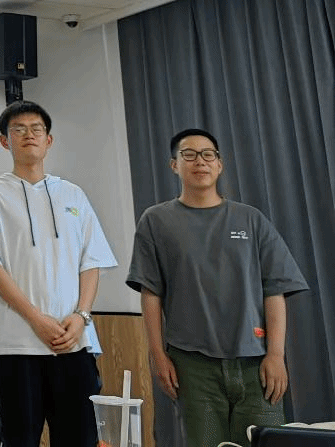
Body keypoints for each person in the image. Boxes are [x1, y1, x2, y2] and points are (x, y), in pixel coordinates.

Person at [126, 129, 308, 447]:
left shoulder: (251, 220)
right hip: (192, 365)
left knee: (263, 442)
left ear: (219, 165)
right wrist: (157, 355)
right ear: (174, 165)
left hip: (256, 362)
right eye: (189, 154)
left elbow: (275, 290)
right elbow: (150, 292)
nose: (200, 161)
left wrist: (276, 354)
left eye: (208, 154)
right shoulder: (156, 221)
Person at [0, 100, 117, 447]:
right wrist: (36, 319)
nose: (29, 135)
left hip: (75, 342)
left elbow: (91, 261)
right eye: (18, 130)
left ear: (49, 140)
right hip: (17, 346)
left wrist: (81, 316)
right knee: (19, 439)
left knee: (80, 439)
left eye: (36, 129)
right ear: (4, 141)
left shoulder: (73, 194)